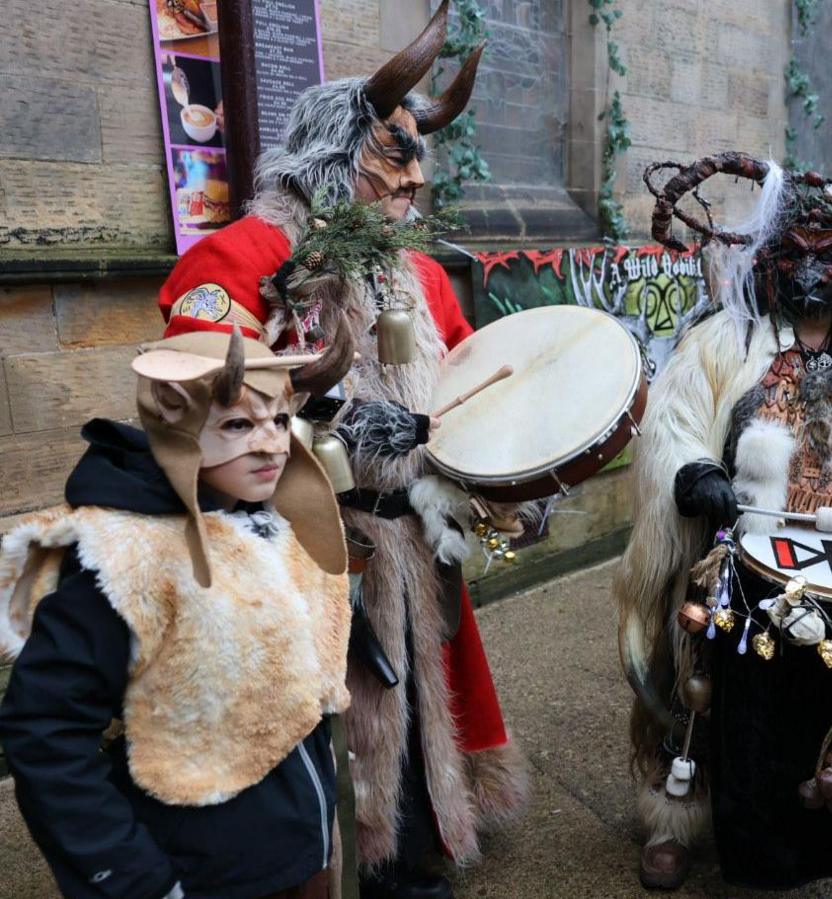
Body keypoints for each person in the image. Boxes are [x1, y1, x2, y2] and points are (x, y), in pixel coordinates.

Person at [156, 4, 528, 895]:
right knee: (317, 716)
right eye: (395, 153)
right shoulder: (238, 258)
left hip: (412, 536)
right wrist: (329, 419)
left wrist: (507, 464)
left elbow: (476, 379)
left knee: (411, 693)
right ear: (336, 151)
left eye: (418, 158)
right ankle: (328, 860)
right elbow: (194, 393)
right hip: (303, 541)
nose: (414, 179)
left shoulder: (421, 274)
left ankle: (404, 845)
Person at [615, 150, 832, 897]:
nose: (811, 277)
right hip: (753, 573)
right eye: (795, 259)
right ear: (769, 263)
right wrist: (696, 472)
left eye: (827, 261)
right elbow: (673, 422)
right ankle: (678, 820)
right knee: (707, 695)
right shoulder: (724, 341)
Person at [0, 331, 349, 899]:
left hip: (294, 850)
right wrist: (135, 879)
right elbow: (46, 733)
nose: (271, 445)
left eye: (281, 421)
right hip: (201, 873)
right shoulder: (121, 557)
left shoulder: (265, 520)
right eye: (238, 425)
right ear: (176, 426)